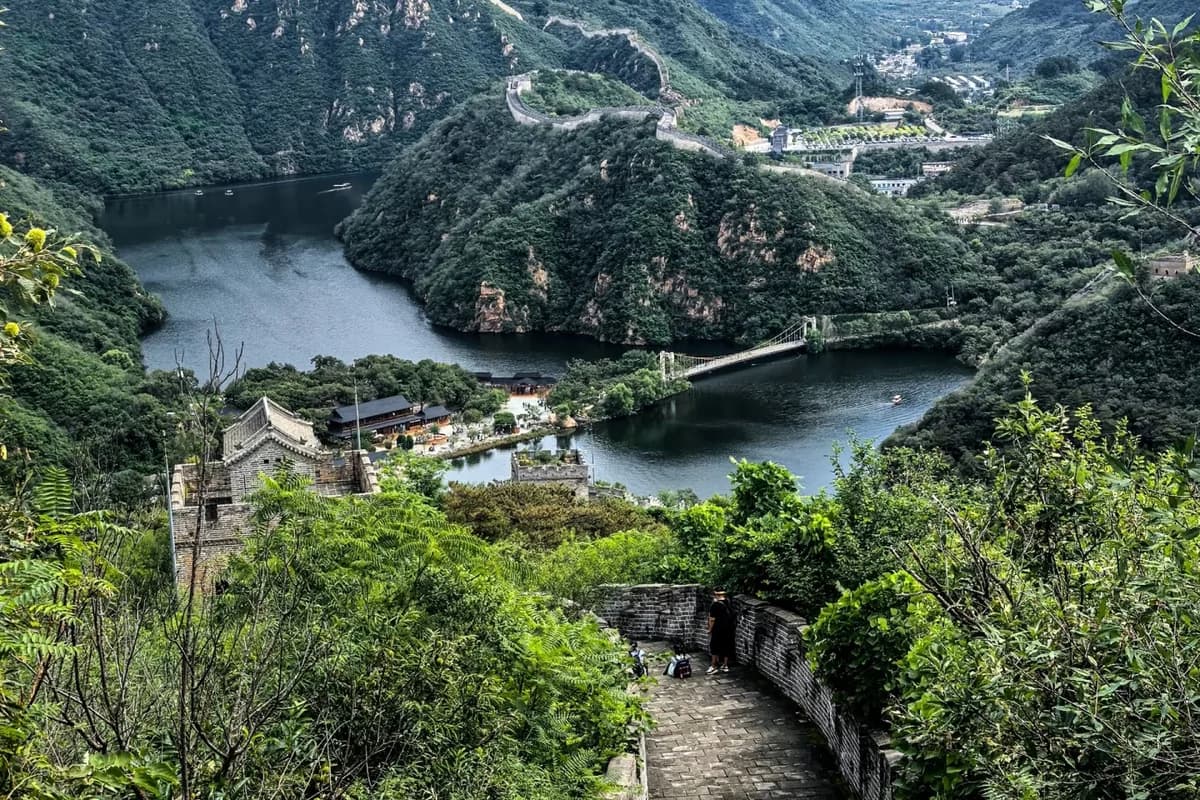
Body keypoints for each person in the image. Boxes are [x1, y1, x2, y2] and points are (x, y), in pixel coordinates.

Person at [706, 589, 735, 675]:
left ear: (716, 595)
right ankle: (725, 666)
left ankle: (713, 666)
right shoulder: (728, 602)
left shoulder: (715, 605)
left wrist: (710, 629)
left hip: (718, 628)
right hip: (729, 628)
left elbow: (712, 619)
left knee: (714, 646)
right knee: (726, 646)